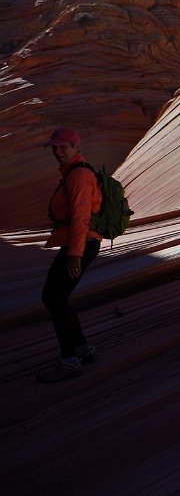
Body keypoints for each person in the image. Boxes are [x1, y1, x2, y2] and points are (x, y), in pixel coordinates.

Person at [35, 127, 102, 384]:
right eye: (55, 147)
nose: (58, 152)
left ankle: (69, 361)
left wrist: (75, 254)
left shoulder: (79, 175)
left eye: (63, 147)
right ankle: (82, 349)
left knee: (53, 298)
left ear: (76, 147)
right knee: (58, 298)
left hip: (81, 244)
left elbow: (81, 216)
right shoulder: (74, 172)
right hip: (80, 243)